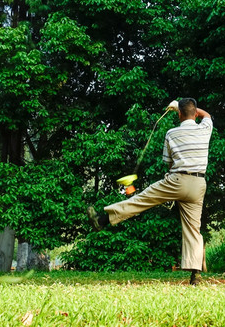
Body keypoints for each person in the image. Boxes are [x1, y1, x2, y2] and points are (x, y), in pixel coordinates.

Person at [87, 98, 213, 285]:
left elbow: (168, 163)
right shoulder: (205, 128)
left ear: (178, 114)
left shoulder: (171, 133)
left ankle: (102, 221)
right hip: (198, 184)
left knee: (141, 200)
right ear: (195, 114)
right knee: (193, 228)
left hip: (177, 180)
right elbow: (207, 115)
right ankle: (195, 275)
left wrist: (176, 106)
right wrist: (182, 106)